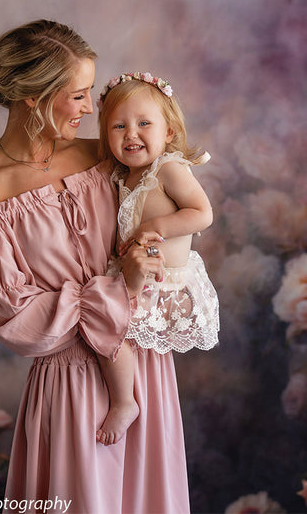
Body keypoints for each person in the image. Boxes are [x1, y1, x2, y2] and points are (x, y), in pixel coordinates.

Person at [0, 20, 190, 514]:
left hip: (143, 365)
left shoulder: (104, 156)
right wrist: (115, 288)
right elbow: (15, 315)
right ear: (35, 98)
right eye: (79, 96)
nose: (91, 109)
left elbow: (166, 205)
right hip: (74, 384)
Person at [95, 72, 219, 447]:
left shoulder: (168, 168)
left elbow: (202, 212)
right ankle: (125, 397)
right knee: (106, 326)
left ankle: (123, 402)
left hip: (167, 284)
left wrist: (158, 224)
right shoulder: (123, 176)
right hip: (139, 277)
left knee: (107, 329)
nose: (131, 134)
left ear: (168, 131)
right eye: (119, 126)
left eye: (144, 123)